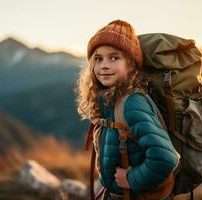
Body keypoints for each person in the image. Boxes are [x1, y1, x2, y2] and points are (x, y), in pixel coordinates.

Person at [76, 19, 180, 200]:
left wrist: (132, 179)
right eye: (98, 59)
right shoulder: (109, 100)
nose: (104, 65)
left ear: (130, 64)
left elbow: (166, 158)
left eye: (114, 57)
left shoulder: (132, 103)